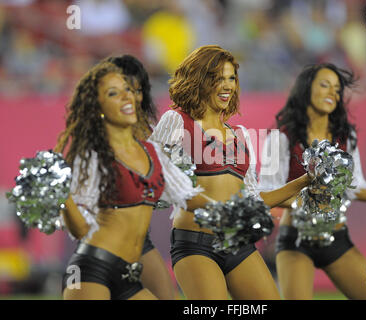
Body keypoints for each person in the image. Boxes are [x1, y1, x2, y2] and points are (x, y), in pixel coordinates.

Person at [150, 45, 312, 300]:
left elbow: (253, 201)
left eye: (231, 78)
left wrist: (305, 181)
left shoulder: (240, 135)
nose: (227, 86)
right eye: (218, 78)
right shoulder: (177, 120)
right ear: (200, 80)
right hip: (195, 243)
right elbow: (151, 177)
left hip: (238, 244)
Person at [55, 60, 211, 300]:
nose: (128, 96)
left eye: (131, 90)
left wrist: (232, 211)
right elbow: (80, 229)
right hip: (94, 266)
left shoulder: (150, 148)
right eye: (114, 93)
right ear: (98, 106)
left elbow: (187, 195)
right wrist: (62, 197)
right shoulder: (92, 155)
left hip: (131, 262)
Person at [258, 63, 366, 300]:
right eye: (324, 85)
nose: (332, 93)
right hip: (297, 238)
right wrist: (309, 200)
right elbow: (268, 191)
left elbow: (356, 188)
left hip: (337, 237)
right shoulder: (281, 136)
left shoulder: (346, 135)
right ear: (306, 90)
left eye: (337, 89)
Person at [106, 54, 175, 300]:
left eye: (137, 89)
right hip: (106, 240)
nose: (131, 97)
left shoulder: (149, 130)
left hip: (138, 237)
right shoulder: (98, 131)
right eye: (123, 89)